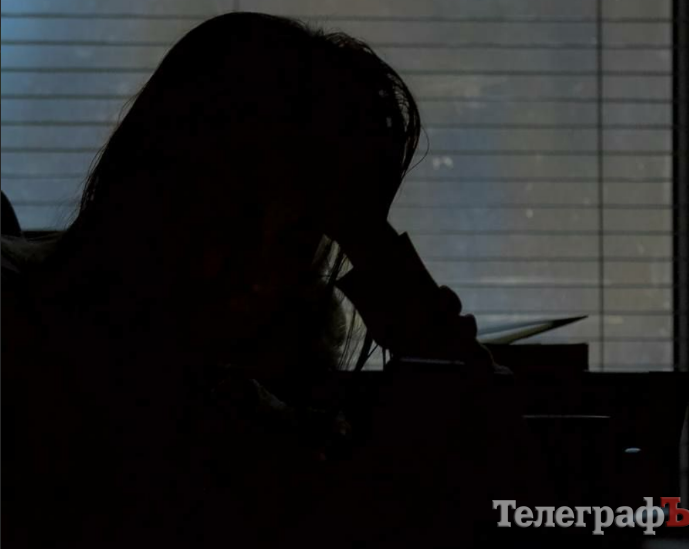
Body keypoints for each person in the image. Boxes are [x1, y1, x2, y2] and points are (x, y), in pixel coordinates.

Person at [2, 12, 534, 549]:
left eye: (297, 239)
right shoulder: (29, 338)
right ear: (162, 195)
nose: (260, 274)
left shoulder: (277, 361)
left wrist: (368, 236)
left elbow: (483, 417)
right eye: (232, 220)